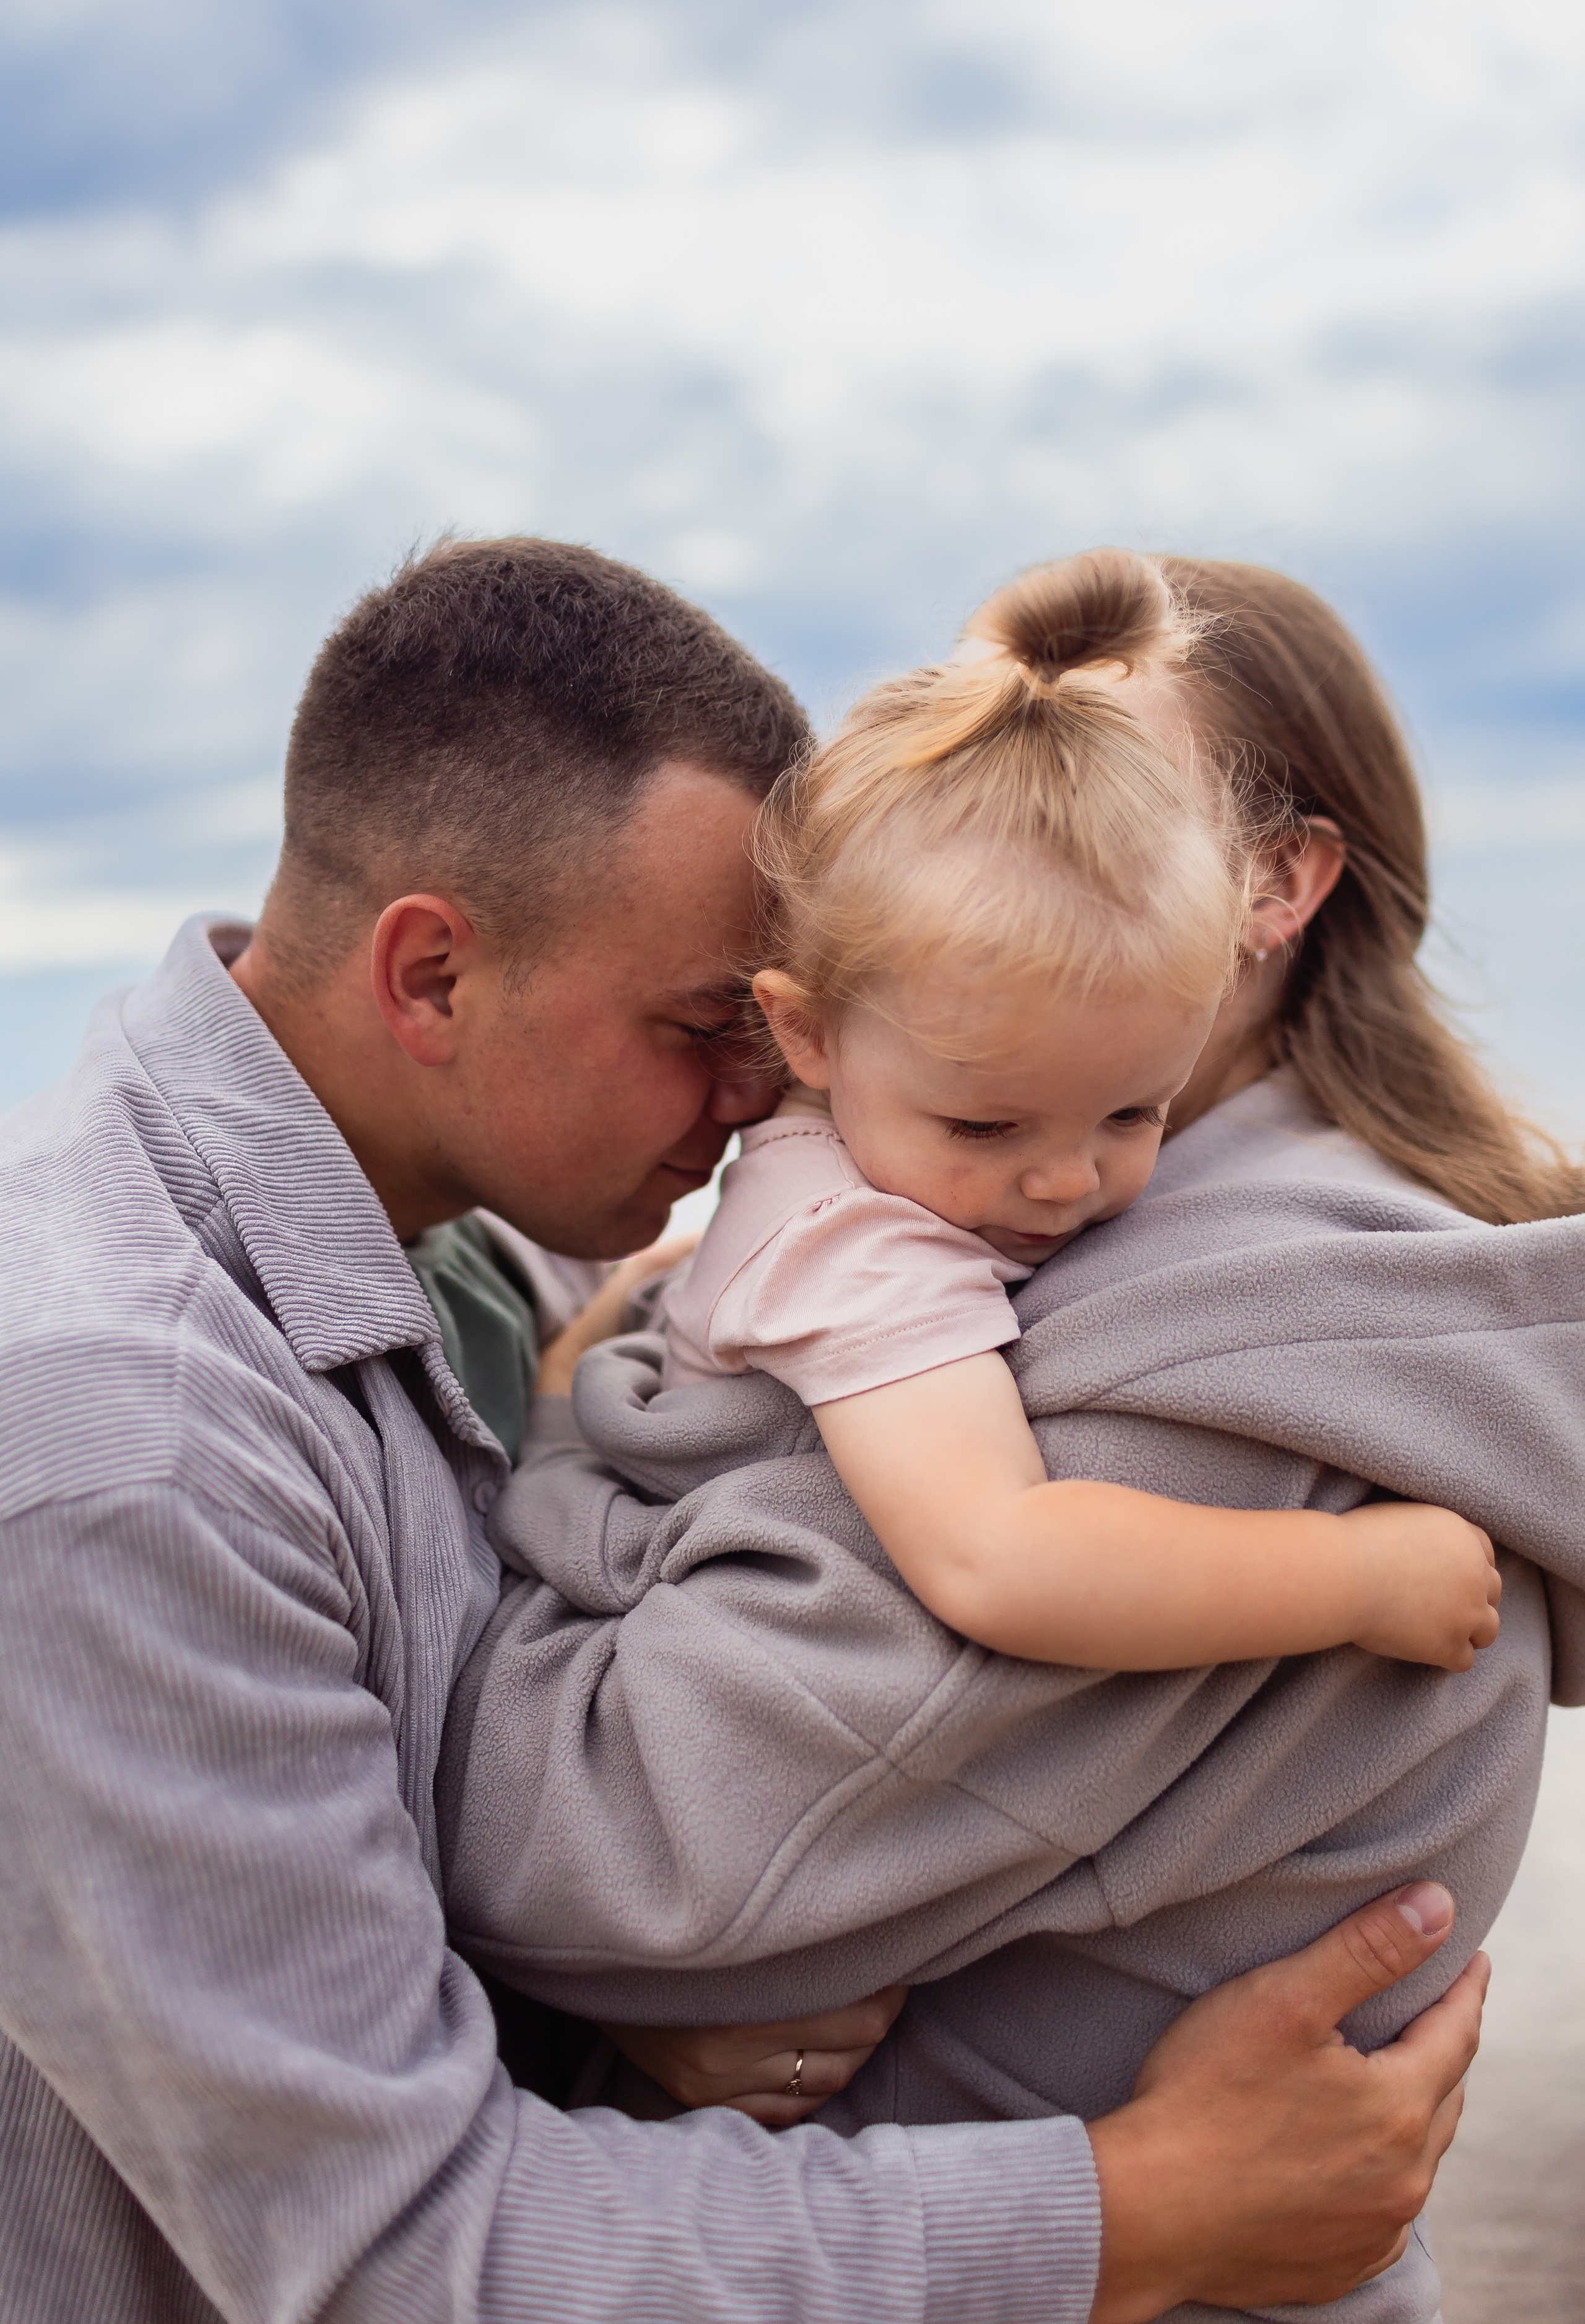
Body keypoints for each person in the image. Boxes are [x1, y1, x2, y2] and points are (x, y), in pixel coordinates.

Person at [0, 536, 1487, 2324]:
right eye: (715, 1026)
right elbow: (393, 2254)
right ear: (432, 979)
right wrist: (1134, 2210)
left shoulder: (463, 1248)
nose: (773, 1098)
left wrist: (610, 2024)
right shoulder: (127, 1444)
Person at [433, 551, 1585, 2324]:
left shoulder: (1218, 1369)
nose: (1003, 836)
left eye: (1089, 777)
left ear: (1273, 888)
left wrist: (608, 1992)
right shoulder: (1077, 1246)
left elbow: (617, 1863)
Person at [635, 547, 1498, 1677]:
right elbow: (1002, 1558)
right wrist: (1361, 1578)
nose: (1065, 1182)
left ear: (1263, 894)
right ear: (807, 1032)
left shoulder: (897, 1118)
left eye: (1134, 1114)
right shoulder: (853, 1247)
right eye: (988, 1128)